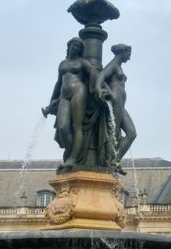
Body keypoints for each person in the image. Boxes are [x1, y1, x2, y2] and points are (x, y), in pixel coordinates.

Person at [43, 37, 96, 169]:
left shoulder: (83, 62)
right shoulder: (62, 64)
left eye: (78, 46)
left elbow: (94, 75)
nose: (75, 48)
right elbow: (58, 83)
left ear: (80, 50)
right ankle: (73, 152)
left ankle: (73, 158)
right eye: (73, 45)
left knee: (76, 125)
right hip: (64, 96)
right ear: (69, 47)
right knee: (63, 127)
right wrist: (51, 101)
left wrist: (98, 90)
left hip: (78, 91)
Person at [95, 44, 136, 174]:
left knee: (131, 133)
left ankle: (115, 160)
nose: (129, 58)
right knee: (113, 133)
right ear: (122, 53)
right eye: (128, 54)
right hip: (116, 101)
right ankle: (108, 162)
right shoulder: (112, 65)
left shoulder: (118, 67)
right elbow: (99, 79)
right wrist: (104, 92)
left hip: (121, 104)